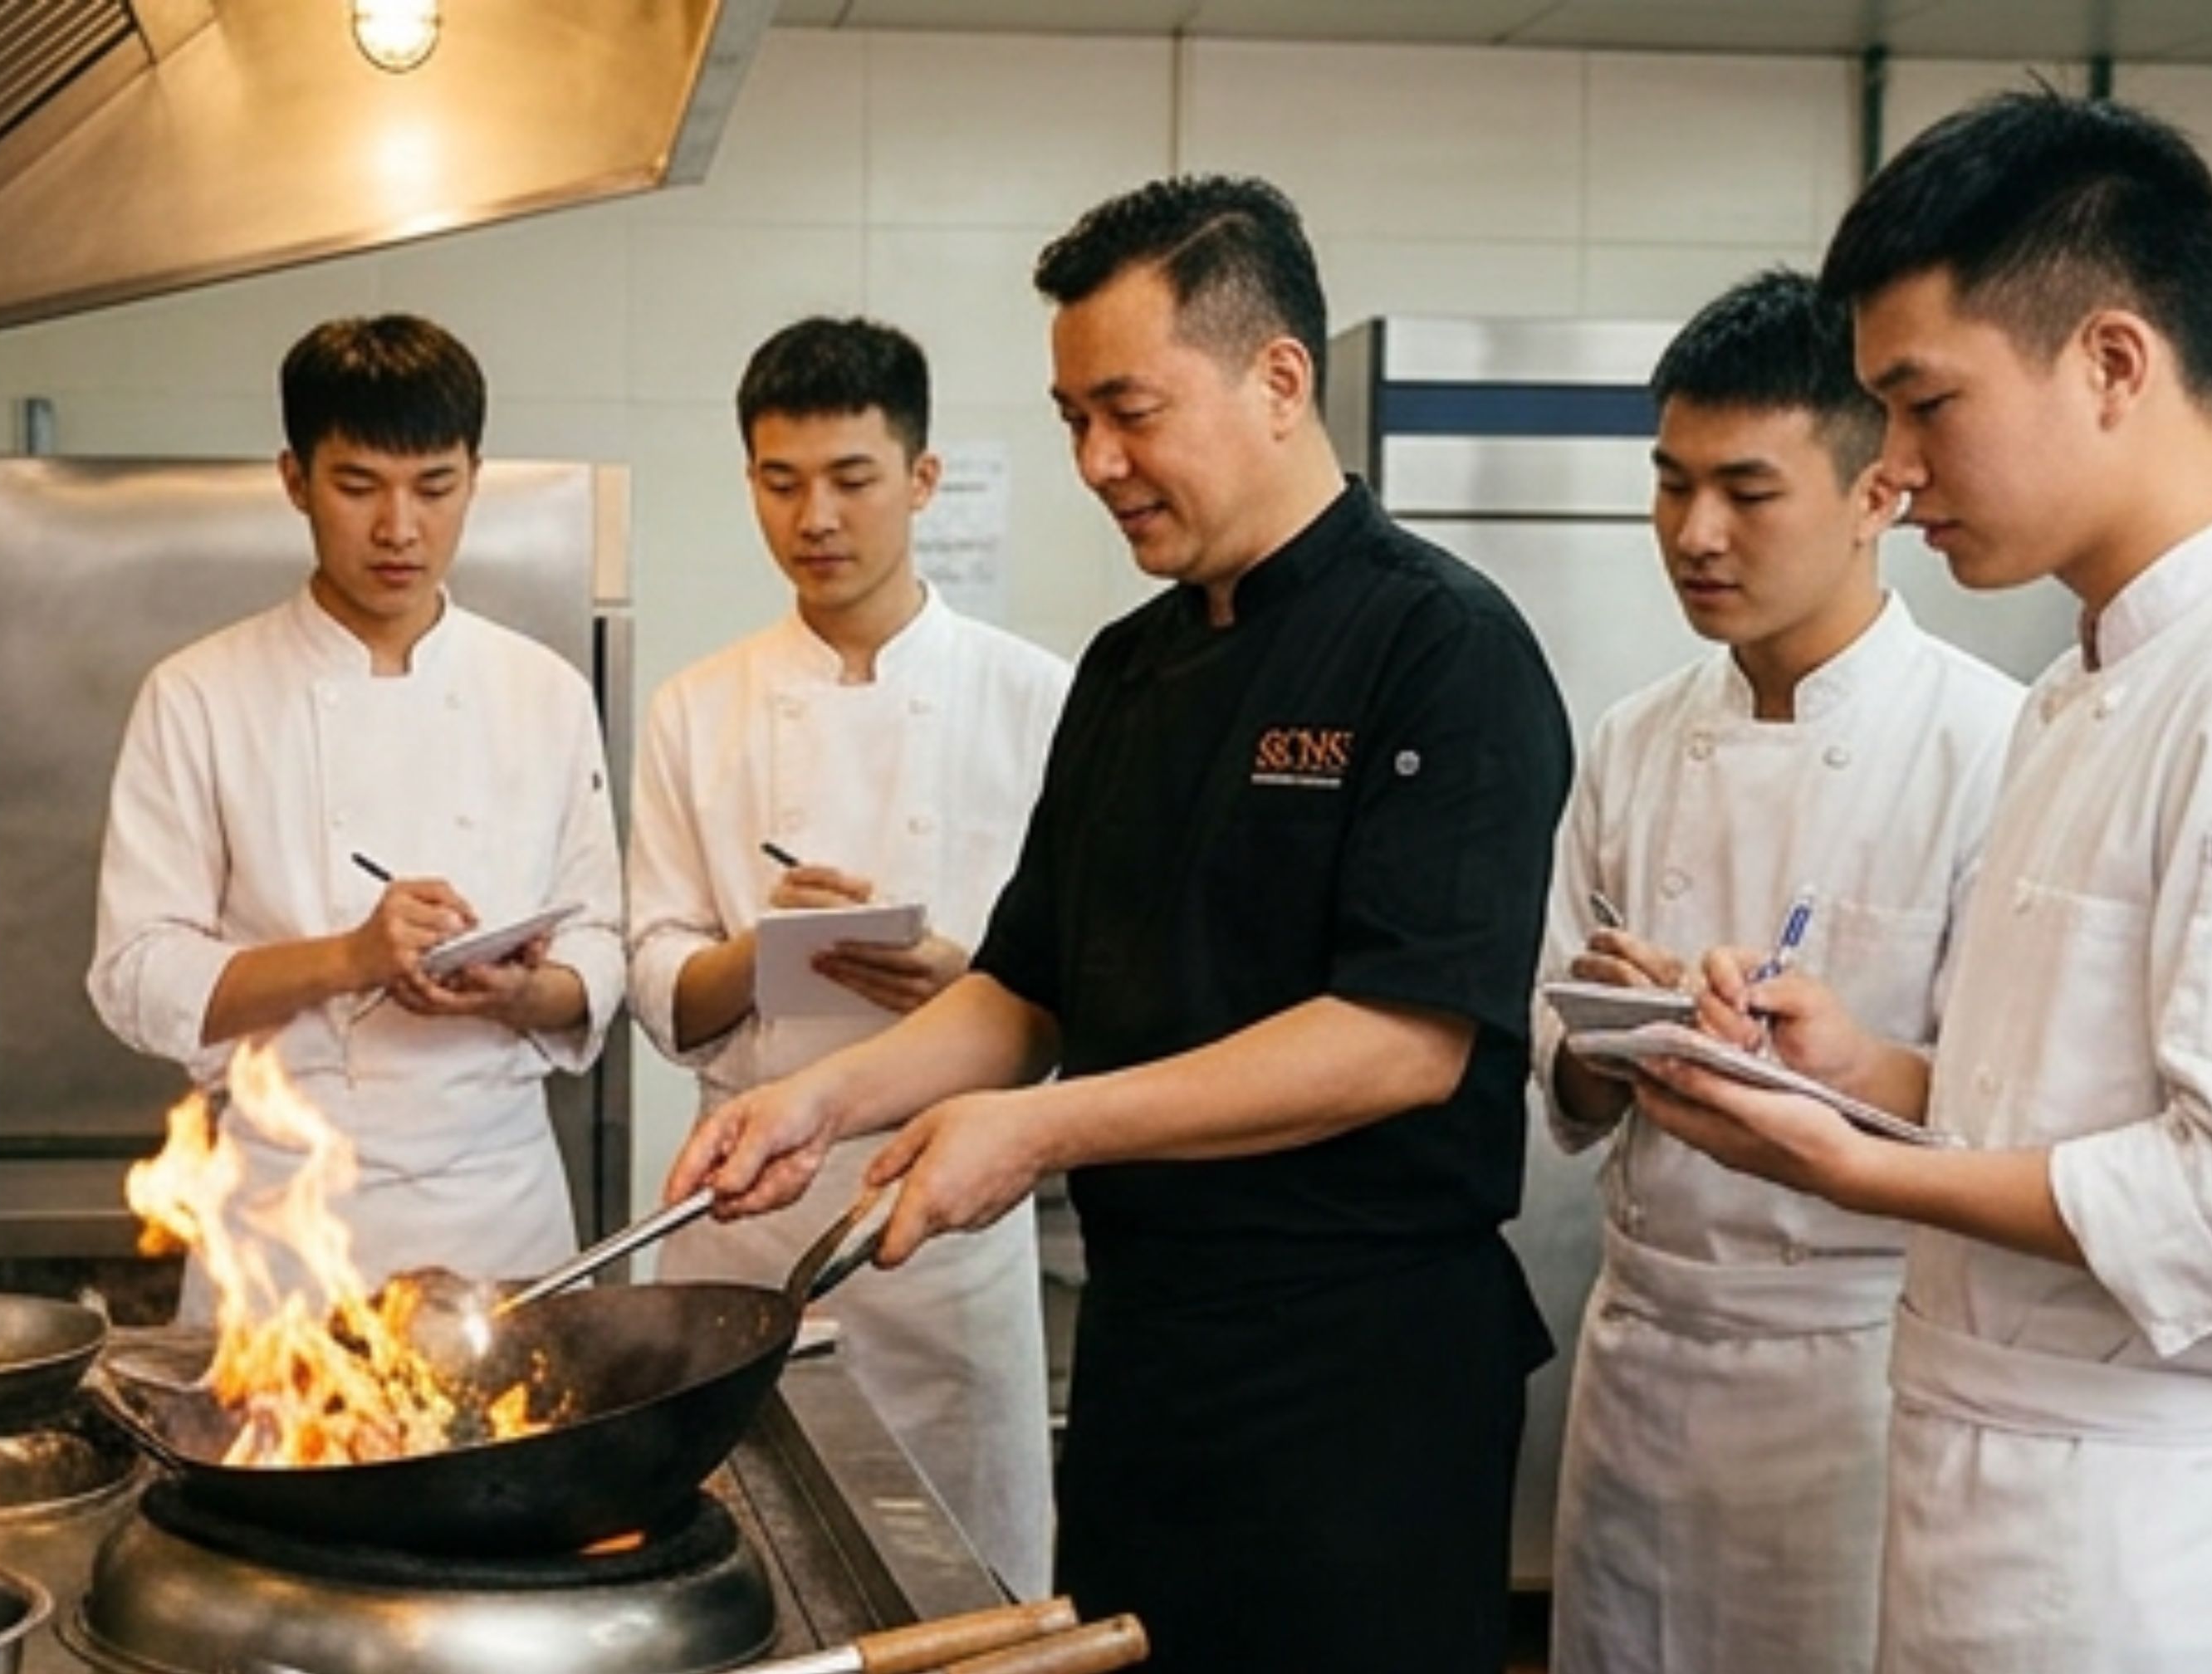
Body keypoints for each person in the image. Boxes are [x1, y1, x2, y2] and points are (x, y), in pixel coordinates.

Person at [665, 176, 1572, 1672]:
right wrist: (817, 1101)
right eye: (1075, 417)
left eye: (1130, 412)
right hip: (1154, 1356)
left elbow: (1400, 1043)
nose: (1097, 461)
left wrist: (1039, 1131)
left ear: (1279, 378)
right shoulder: (1127, 669)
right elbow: (1023, 989)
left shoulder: (1439, 646)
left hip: (1356, 1376)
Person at [1626, 92, 2212, 1674]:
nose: (1893, 467)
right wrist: (1863, 1073)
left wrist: (1859, 1173)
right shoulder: (2084, 689)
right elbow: (2065, 1107)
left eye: (1924, 403)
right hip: (1997, 1502)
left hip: (2167, 1561)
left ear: (2111, 362)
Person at [1535, 268, 2021, 1674]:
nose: (1696, 533)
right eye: (1671, 484)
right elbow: (1558, 1073)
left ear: (1877, 495)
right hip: (1641, 1350)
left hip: (1850, 1372)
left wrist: (1821, 1063)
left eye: (1748, 491)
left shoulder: (1987, 746)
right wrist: (1610, 1037)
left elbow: (2009, 1106)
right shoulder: (1632, 738)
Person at [624, 316, 1070, 1594]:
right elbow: (656, 982)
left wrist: (962, 982)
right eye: (780, 482)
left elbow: (1084, 980)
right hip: (743, 1219)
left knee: (965, 1588)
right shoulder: (696, 708)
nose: (814, 517)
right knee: (740, 1578)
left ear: (922, 480)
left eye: (851, 479)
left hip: (944, 1218)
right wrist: (767, 953)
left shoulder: (1036, 698)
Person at [88, 313, 624, 1314]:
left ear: (474, 477)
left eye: (435, 487)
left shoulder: (544, 691)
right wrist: (350, 957)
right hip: (281, 1236)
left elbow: (599, 945)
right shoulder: (199, 693)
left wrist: (518, 993)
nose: (399, 529)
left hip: (497, 1219)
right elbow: (136, 974)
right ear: (295, 479)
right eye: (359, 485)